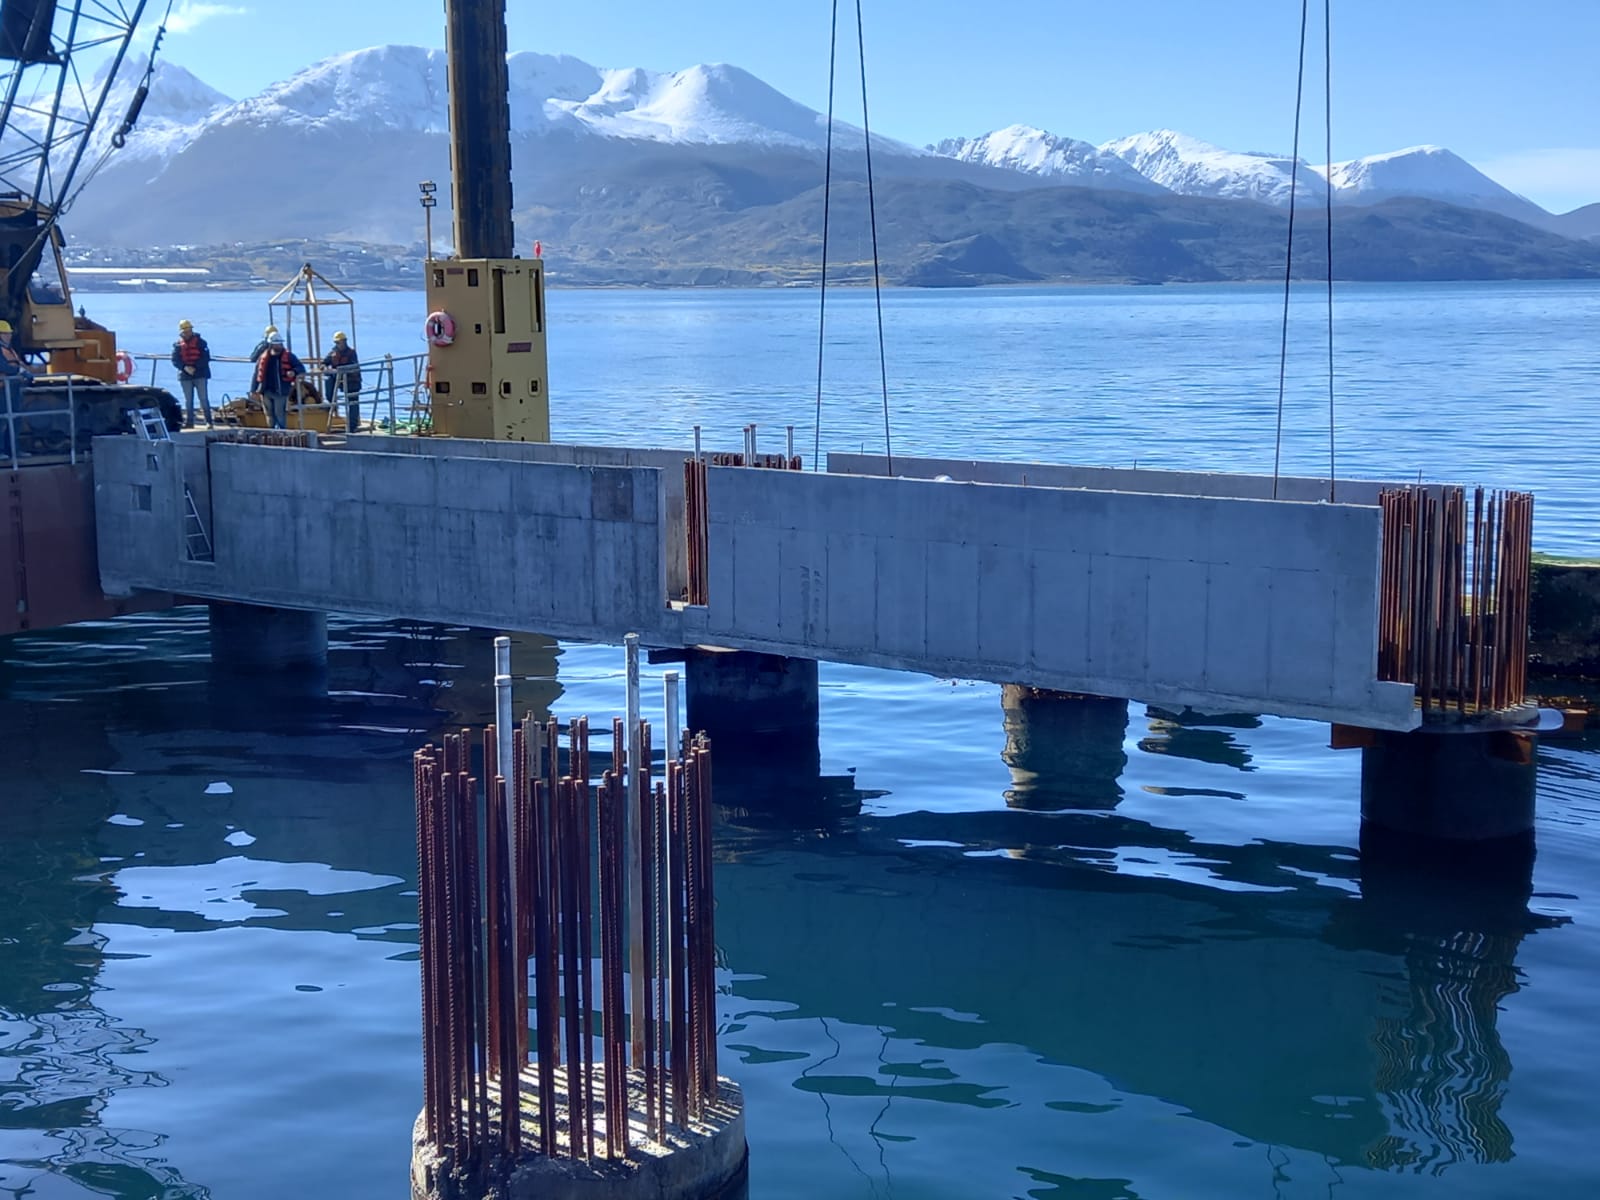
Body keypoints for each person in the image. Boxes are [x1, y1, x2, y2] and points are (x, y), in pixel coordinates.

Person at [254, 332, 304, 430]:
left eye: (280, 343)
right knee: (269, 414)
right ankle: (271, 432)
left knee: (280, 414)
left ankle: (282, 432)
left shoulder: (289, 356)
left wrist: (294, 372)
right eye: (276, 343)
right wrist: (253, 389)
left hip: (280, 391)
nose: (279, 345)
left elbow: (301, 368)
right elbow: (256, 374)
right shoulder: (263, 357)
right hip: (266, 391)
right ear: (271, 344)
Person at [170, 319, 213, 427]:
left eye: (189, 330)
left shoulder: (201, 343)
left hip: (200, 374)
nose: (187, 332)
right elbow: (175, 359)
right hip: (185, 376)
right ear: (181, 332)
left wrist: (195, 367)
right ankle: (189, 422)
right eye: (185, 330)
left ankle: (208, 421)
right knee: (188, 400)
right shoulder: (177, 345)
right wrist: (185, 367)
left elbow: (205, 358)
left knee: (203, 398)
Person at [322, 330, 363, 432]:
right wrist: (325, 368)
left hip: (351, 381)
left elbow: (354, 366)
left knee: (353, 402)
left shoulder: (351, 353)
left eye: (338, 342)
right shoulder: (333, 353)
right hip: (338, 380)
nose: (337, 344)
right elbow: (324, 363)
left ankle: (352, 426)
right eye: (335, 342)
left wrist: (341, 370)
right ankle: (333, 407)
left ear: (344, 341)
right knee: (328, 382)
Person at [0, 319, 34, 419]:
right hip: (2, 389)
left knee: (15, 418)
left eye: (9, 334)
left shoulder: (9, 349)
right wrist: (18, 371)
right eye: (5, 334)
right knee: (4, 420)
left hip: (12, 387)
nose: (9, 336)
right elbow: (2, 366)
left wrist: (26, 372)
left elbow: (18, 363)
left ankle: (12, 435)